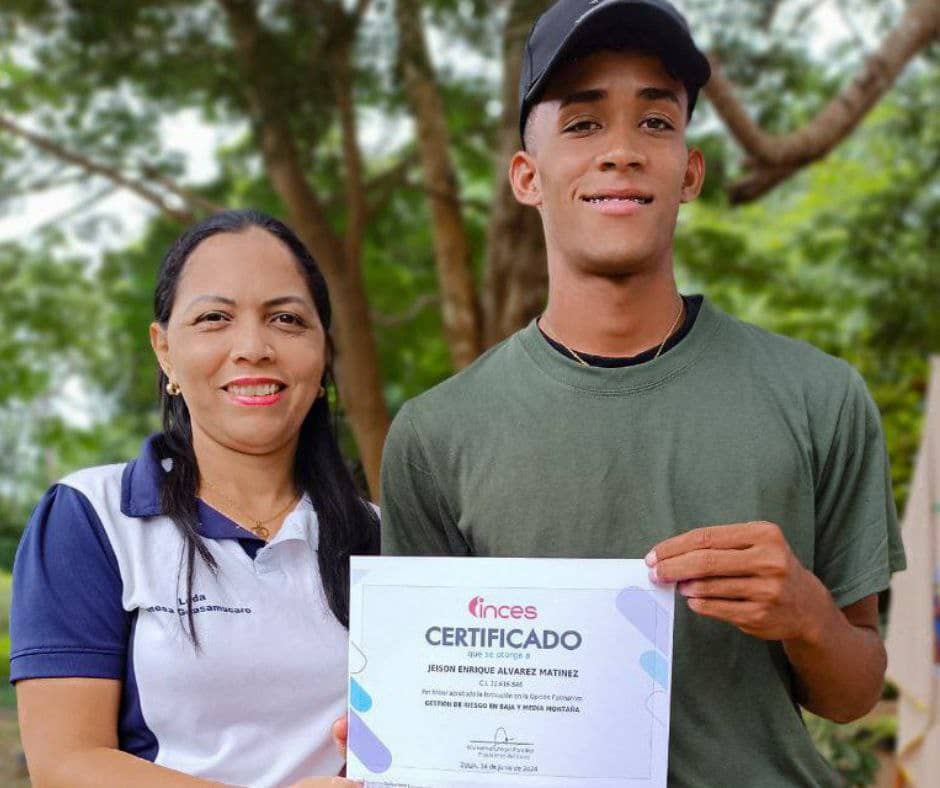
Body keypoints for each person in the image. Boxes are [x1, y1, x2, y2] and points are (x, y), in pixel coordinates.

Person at [379, 1, 906, 785]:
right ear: (528, 177)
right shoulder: (434, 434)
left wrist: (805, 611)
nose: (622, 151)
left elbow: (854, 694)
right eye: (584, 124)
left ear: (689, 171)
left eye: (656, 123)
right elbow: (427, 720)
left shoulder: (819, 396)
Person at [10, 210, 374, 787]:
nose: (253, 347)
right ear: (164, 350)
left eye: (286, 318)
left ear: (323, 350)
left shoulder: (379, 537)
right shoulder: (91, 516)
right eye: (214, 318)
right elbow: (65, 765)